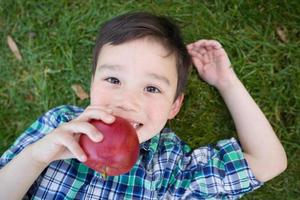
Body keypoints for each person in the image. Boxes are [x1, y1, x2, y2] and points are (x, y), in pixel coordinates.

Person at [0, 12, 287, 199]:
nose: (126, 101)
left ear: (174, 106)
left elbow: (268, 162)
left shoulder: (171, 166)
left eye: (151, 88)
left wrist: (227, 82)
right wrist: (35, 157)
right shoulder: (58, 125)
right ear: (91, 84)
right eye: (113, 79)